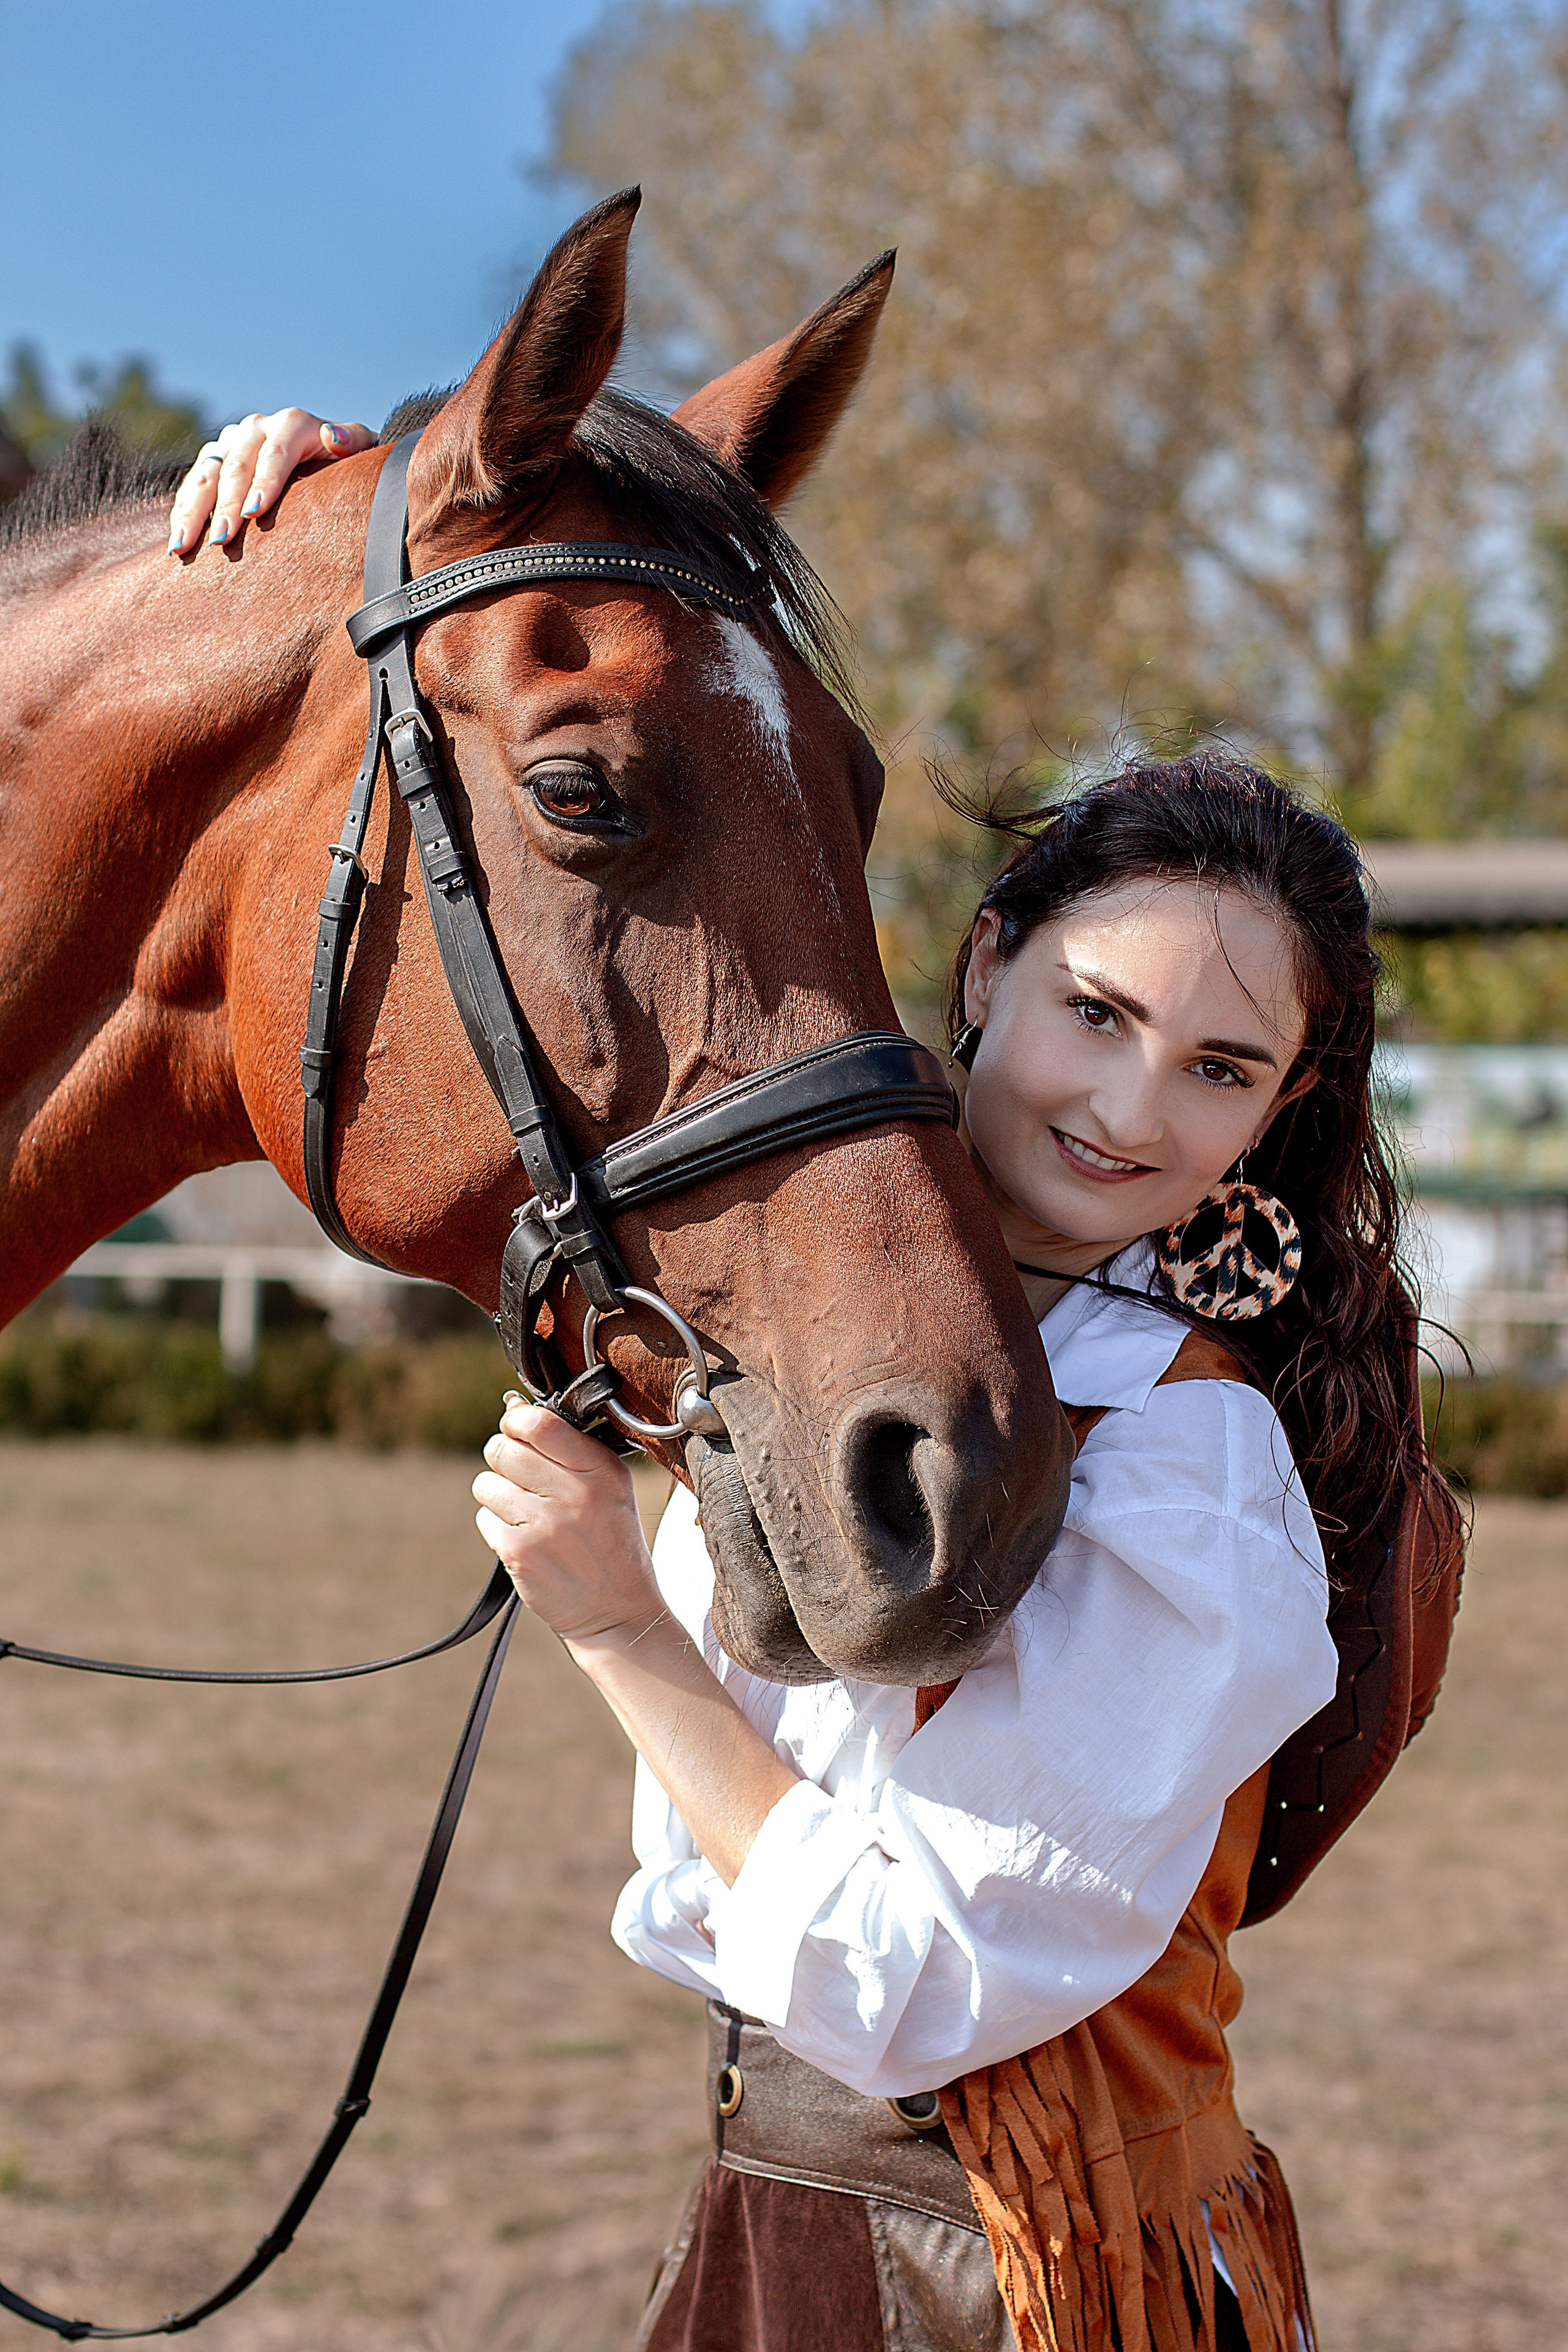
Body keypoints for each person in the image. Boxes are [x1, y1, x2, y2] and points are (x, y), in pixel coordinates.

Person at [171, 424, 1463, 2352]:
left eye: (1221, 1068)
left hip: (1001, 2280)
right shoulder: (849, 1348)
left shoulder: (1189, 1450)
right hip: (773, 2217)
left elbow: (907, 1982)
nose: (1132, 1107)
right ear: (987, 962)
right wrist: (345, 516)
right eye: (1098, 1014)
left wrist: (622, 1632)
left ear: (1280, 1111)